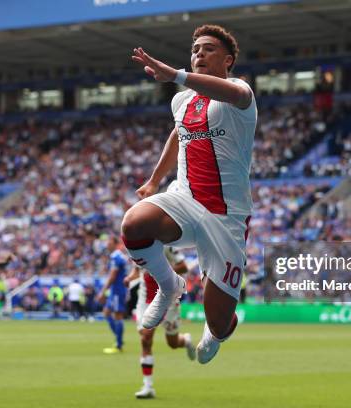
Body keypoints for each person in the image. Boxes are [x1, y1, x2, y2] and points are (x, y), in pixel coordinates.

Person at [122, 24, 256, 364]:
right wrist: (154, 180)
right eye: (195, 48)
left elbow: (235, 94)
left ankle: (218, 330)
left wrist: (176, 74)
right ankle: (169, 286)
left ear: (227, 60)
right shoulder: (182, 99)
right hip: (184, 199)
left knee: (220, 321)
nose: (199, 53)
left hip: (225, 216)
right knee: (134, 223)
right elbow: (177, 133)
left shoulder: (240, 93)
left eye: (208, 48)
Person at [125, 245, 196, 399]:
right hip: (145, 299)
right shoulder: (137, 245)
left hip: (168, 298)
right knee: (145, 338)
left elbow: (183, 266)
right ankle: (148, 386)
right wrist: (129, 278)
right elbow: (137, 270)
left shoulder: (166, 245)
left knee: (173, 343)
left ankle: (185, 340)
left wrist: (162, 272)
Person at [98, 236, 129, 354]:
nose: (107, 244)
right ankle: (118, 338)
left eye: (109, 242)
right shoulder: (118, 256)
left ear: (115, 244)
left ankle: (119, 344)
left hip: (118, 290)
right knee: (106, 312)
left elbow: (113, 276)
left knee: (117, 316)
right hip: (116, 290)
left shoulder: (116, 257)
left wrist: (102, 291)